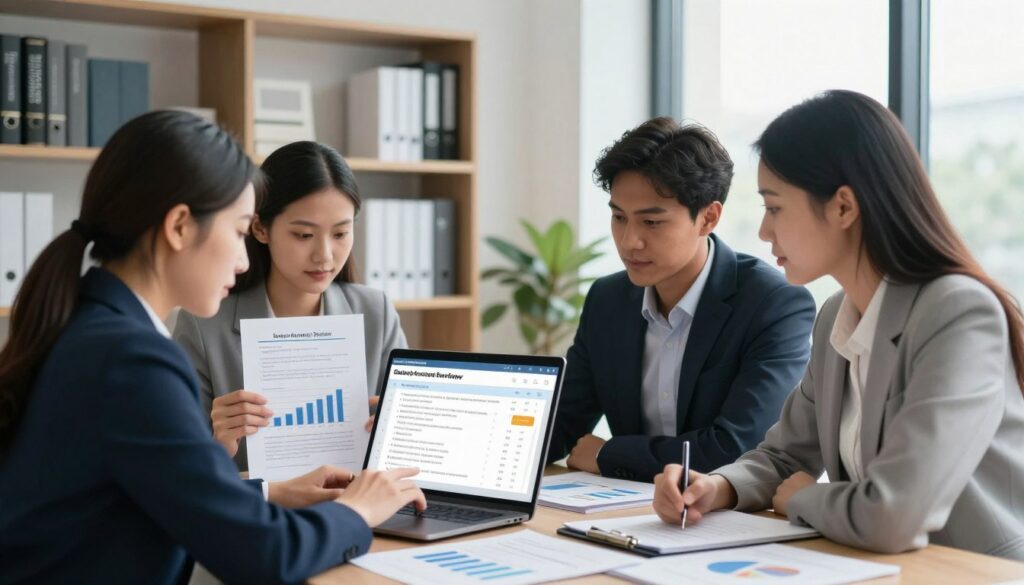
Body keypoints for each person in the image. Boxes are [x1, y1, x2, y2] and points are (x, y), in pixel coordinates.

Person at [0, 111, 425, 584]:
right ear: (180, 226)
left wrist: (269, 494)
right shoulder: (133, 362)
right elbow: (265, 555)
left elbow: (163, 489)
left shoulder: (94, 326)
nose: (245, 258)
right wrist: (357, 510)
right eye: (241, 230)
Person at [653, 90, 1024, 560]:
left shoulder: (959, 313)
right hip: (875, 567)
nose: (764, 231)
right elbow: (785, 455)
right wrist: (717, 486)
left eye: (775, 207)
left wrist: (803, 498)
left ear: (843, 207)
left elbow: (895, 515)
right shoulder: (836, 314)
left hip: (973, 571)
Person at [547, 117, 816, 482]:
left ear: (708, 218)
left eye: (652, 222)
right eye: (619, 217)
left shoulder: (773, 305)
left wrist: (609, 453)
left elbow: (738, 449)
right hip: (623, 512)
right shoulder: (607, 300)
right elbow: (562, 427)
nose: (629, 241)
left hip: (727, 521)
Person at [173, 141, 407, 470]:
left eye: (340, 234)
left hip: (357, 510)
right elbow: (178, 477)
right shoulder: (203, 323)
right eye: (303, 235)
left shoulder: (376, 312)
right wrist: (218, 443)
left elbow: (403, 460)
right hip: (257, 513)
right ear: (260, 228)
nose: (324, 256)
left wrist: (400, 434)